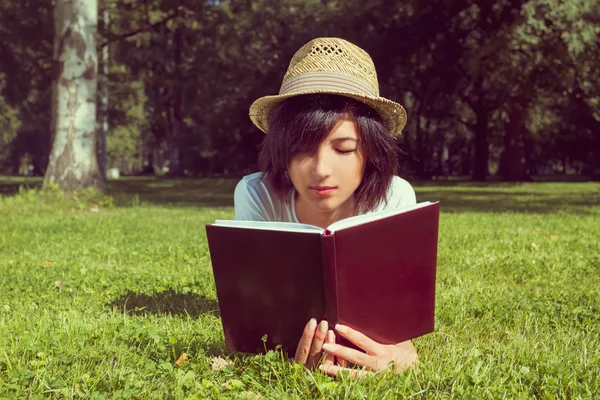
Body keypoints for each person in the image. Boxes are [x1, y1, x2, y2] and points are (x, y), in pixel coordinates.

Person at [233, 37, 419, 376]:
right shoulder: (256, 194)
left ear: (371, 153)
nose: (320, 170)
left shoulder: (396, 197)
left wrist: (402, 353)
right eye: (301, 149)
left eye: (344, 149)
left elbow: (398, 313)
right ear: (281, 151)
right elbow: (254, 307)